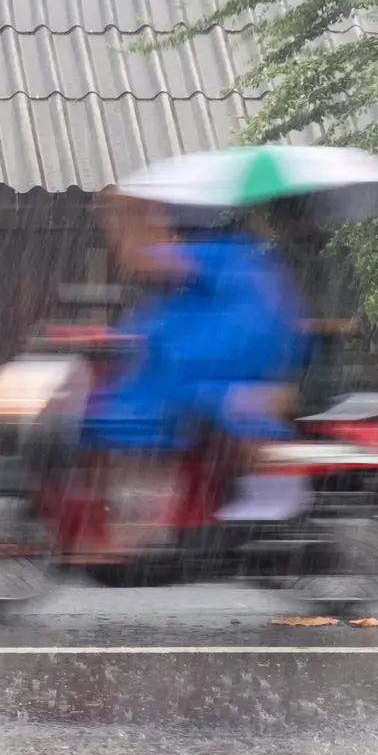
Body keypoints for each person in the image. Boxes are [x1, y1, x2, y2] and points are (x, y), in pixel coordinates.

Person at [81, 188, 307, 547]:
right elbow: (149, 317)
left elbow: (146, 262)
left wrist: (125, 217)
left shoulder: (226, 258)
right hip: (189, 368)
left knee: (190, 403)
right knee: (109, 407)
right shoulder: (216, 267)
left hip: (223, 369)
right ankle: (136, 516)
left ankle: (261, 495)